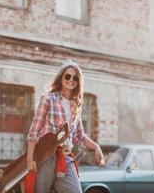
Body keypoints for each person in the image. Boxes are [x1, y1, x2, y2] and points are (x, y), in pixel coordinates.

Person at [26, 60, 105, 193]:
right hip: (46, 156)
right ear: (61, 78)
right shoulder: (48, 99)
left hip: (65, 157)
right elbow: (34, 131)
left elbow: (80, 136)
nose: (71, 80)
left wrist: (96, 147)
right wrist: (30, 159)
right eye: (67, 76)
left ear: (78, 82)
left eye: (75, 78)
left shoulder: (76, 106)